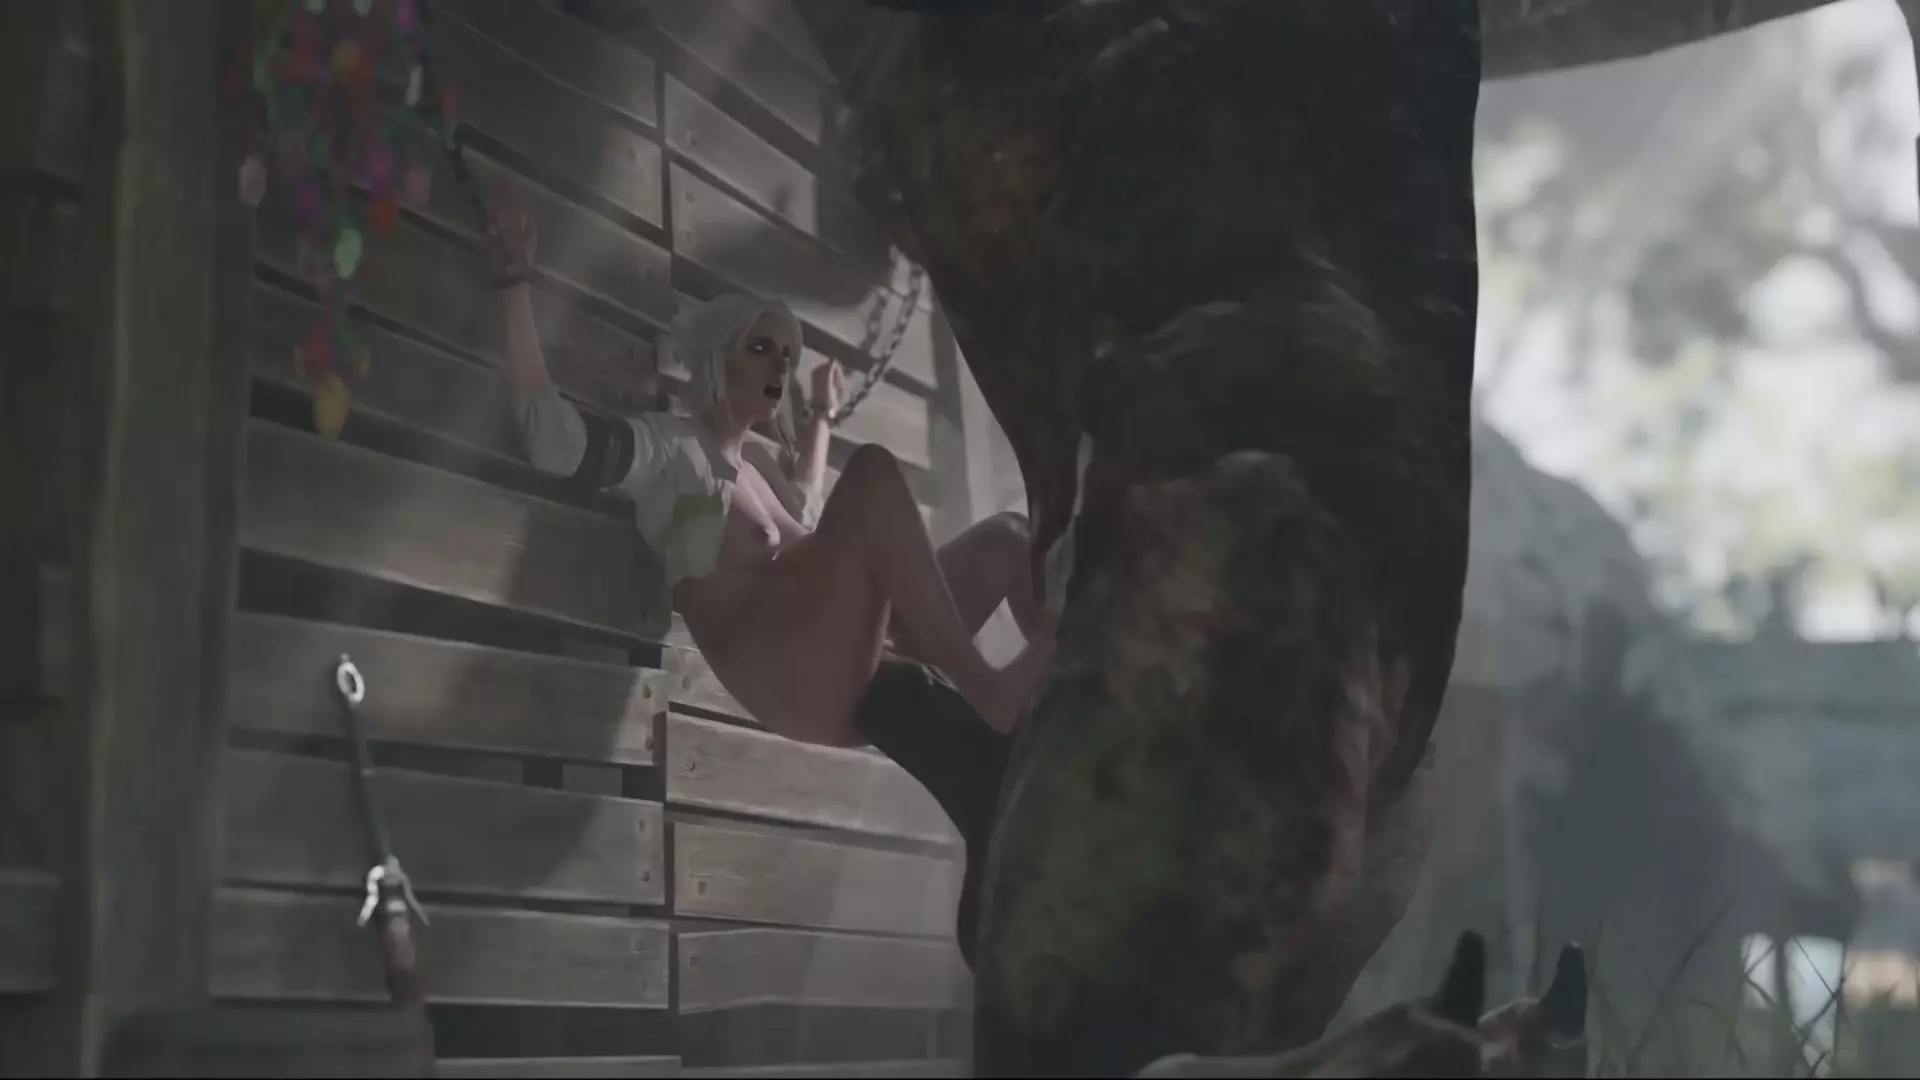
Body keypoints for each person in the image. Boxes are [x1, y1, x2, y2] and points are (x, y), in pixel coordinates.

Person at [488, 184, 1053, 743]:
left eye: (786, 355)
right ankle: (987, 690)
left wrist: (822, 415)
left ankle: (1058, 695)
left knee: (1009, 538)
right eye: (760, 349)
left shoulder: (755, 459)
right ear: (717, 357)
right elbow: (554, 442)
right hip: (800, 683)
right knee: (872, 474)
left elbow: (806, 506)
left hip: (861, 653)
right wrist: (514, 285)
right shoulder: (672, 450)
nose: (779, 366)